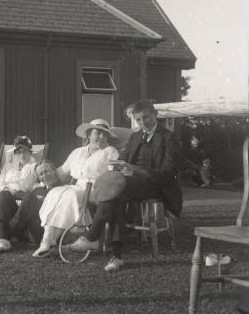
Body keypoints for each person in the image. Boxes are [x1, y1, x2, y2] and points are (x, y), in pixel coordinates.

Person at [69, 99, 182, 272]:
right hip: (130, 183)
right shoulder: (135, 136)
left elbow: (170, 172)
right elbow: (122, 160)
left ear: (155, 115)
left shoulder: (169, 138)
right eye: (138, 120)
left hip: (157, 185)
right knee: (116, 196)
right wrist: (118, 168)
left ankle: (92, 236)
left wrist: (139, 171)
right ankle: (117, 256)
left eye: (146, 118)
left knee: (117, 189)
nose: (142, 122)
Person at [33, 119, 119, 258]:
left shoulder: (110, 151)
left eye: (105, 134)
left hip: (96, 190)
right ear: (89, 134)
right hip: (77, 187)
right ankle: (48, 240)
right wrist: (42, 181)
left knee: (70, 194)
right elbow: (61, 172)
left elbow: (112, 175)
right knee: (55, 191)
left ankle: (50, 240)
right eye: (98, 133)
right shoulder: (78, 152)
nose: (101, 137)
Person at [4, 159, 62, 250]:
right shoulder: (39, 190)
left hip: (43, 231)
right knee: (4, 195)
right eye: (41, 174)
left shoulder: (62, 189)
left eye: (46, 172)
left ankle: (5, 235)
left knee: (29, 196)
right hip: (28, 228)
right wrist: (14, 193)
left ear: (54, 170)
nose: (44, 176)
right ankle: (5, 233)